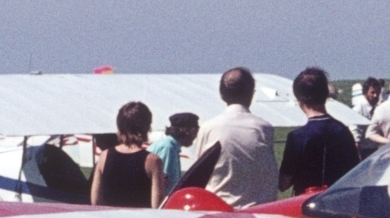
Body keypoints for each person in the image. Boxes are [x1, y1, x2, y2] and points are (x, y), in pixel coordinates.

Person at [195, 68, 277, 209]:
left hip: (218, 208)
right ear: (251, 93)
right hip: (258, 210)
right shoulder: (264, 128)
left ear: (222, 94)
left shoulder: (208, 128)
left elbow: (199, 172)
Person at [278, 68, 360, 196]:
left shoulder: (297, 137)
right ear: (326, 94)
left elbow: (283, 183)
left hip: (305, 205)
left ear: (299, 99)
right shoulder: (343, 131)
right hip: (337, 202)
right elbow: (354, 174)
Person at [91, 101, 167, 210]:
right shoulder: (153, 161)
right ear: (147, 126)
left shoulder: (104, 156)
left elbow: (95, 201)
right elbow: (157, 206)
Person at [148, 112, 199, 196]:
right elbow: (163, 183)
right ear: (186, 130)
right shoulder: (168, 147)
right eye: (195, 131)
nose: (195, 136)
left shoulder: (171, 146)